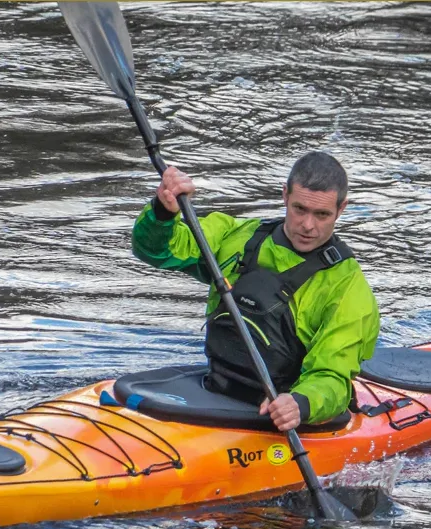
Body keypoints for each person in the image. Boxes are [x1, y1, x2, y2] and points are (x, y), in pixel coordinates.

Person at [131, 151, 380, 432]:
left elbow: (333, 377)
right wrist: (164, 212)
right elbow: (154, 250)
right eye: (300, 209)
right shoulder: (234, 236)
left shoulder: (348, 289)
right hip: (217, 388)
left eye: (322, 214)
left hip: (281, 410)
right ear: (285, 195)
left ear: (341, 208)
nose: (308, 225)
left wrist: (300, 402)